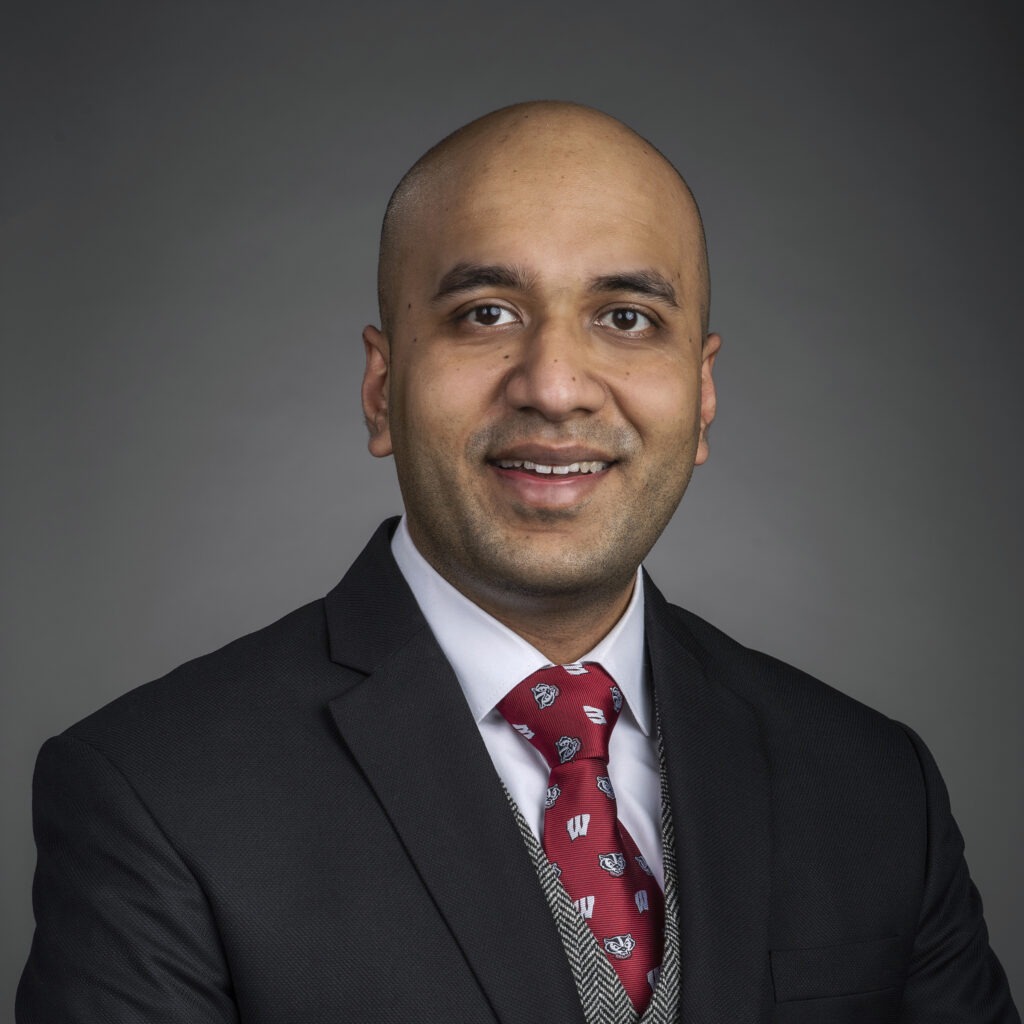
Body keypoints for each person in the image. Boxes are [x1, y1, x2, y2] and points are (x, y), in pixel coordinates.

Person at [17, 101, 1018, 1024]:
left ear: (701, 396)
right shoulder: (153, 791)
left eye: (625, 318)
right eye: (484, 313)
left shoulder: (877, 787)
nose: (554, 387)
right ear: (380, 389)